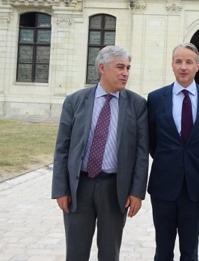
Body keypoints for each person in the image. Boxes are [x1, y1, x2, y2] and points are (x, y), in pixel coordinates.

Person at [51, 45, 149, 261]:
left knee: (109, 254)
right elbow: (62, 149)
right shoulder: (75, 101)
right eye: (120, 67)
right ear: (102, 68)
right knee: (76, 253)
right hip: (79, 188)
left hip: (115, 190)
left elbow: (142, 153)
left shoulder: (137, 105)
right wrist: (60, 189)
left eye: (128, 68)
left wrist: (136, 192)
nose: (125, 73)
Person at [147, 43, 199, 261]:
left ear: (198, 66)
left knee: (190, 250)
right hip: (163, 186)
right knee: (163, 250)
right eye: (178, 61)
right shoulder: (156, 98)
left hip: (195, 188)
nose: (183, 67)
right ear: (172, 65)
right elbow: (152, 140)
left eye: (189, 62)